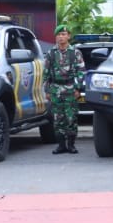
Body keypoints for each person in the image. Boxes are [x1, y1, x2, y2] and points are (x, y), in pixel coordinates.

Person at [45, 26, 85, 155]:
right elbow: (46, 73)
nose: (61, 37)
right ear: (56, 37)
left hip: (70, 89)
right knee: (57, 119)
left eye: (64, 34)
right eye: (59, 35)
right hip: (56, 89)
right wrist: (47, 90)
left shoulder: (75, 53)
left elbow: (81, 71)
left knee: (71, 118)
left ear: (69, 36)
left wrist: (78, 88)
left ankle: (71, 145)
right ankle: (61, 145)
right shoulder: (51, 53)